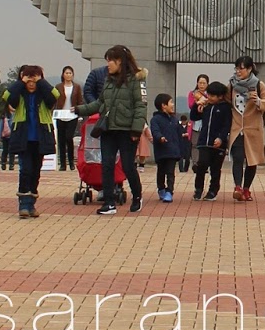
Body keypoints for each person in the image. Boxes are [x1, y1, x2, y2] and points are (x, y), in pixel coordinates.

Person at [91, 45, 148, 215]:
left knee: (128, 166)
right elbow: (100, 103)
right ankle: (109, 202)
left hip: (127, 131)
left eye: (110, 60)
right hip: (108, 129)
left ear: (120, 61)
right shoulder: (108, 81)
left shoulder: (136, 81)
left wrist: (136, 131)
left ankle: (137, 196)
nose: (108, 64)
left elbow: (140, 107)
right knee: (107, 165)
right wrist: (80, 109)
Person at [1, 66, 59, 218]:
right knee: (25, 170)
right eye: (28, 78)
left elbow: (56, 94)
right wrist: (21, 82)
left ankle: (31, 203)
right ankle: (24, 204)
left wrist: (42, 82)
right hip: (23, 137)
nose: (31, 82)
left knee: (35, 172)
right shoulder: (19, 94)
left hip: (40, 138)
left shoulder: (44, 94)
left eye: (35, 78)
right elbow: (6, 96)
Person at [228, 54, 265, 202]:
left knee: (252, 160)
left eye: (242, 68)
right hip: (237, 128)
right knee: (238, 157)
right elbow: (225, 101)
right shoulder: (232, 85)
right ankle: (238, 187)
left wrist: (258, 101)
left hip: (253, 129)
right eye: (236, 68)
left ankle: (246, 188)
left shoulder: (259, 85)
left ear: (250, 68)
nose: (238, 72)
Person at [191, 81, 231, 200]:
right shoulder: (206, 106)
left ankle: (213, 191)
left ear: (220, 96)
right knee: (201, 165)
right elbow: (194, 117)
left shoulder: (225, 108)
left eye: (213, 96)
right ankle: (198, 189)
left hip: (218, 145)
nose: (210, 98)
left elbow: (227, 125)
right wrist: (196, 105)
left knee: (215, 168)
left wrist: (221, 138)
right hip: (204, 142)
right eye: (209, 95)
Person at [150, 93, 188, 201]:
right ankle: (161, 189)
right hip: (161, 151)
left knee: (170, 172)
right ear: (164, 105)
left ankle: (169, 191)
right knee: (161, 171)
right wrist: (160, 138)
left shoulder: (175, 120)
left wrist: (181, 149)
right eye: (171, 102)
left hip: (173, 151)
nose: (173, 104)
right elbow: (155, 131)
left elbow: (179, 136)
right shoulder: (155, 119)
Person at [54, 66, 84, 174]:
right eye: (66, 73)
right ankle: (62, 164)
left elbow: (80, 101)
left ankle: (71, 161)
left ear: (73, 75)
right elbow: (54, 100)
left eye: (70, 73)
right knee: (61, 140)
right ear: (63, 75)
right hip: (61, 115)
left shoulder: (77, 87)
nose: (68, 75)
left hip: (72, 116)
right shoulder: (58, 87)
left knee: (68, 137)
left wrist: (79, 112)